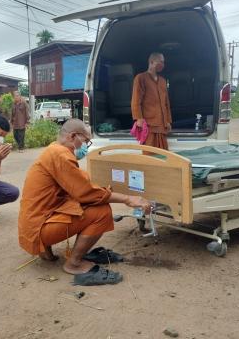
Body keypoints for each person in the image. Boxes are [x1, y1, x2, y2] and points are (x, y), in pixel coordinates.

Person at [18, 119, 151, 286]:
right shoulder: (61, 155)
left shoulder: (53, 149)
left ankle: (46, 252)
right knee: (101, 212)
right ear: (73, 136)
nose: (86, 146)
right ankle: (74, 264)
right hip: (40, 229)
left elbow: (78, 187)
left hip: (33, 225)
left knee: (86, 202)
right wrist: (128, 198)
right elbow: (85, 192)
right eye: (86, 141)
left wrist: (102, 191)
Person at [131, 52, 172, 150]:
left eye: (163, 62)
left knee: (164, 155)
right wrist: (139, 118)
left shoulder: (162, 81)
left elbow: (166, 103)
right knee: (150, 156)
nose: (162, 65)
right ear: (152, 61)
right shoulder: (141, 78)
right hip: (149, 125)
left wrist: (168, 121)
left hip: (162, 126)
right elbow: (136, 100)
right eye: (160, 62)